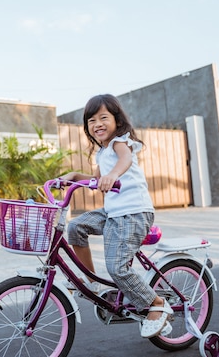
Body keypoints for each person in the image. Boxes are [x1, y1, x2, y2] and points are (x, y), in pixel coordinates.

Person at [58, 94, 173, 338]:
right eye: (91, 120)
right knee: (76, 227)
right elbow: (96, 180)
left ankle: (157, 305)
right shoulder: (102, 153)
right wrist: (72, 176)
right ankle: (91, 281)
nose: (97, 124)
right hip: (113, 213)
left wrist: (114, 176)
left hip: (134, 212)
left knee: (117, 268)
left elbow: (125, 160)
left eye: (103, 118)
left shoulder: (121, 142)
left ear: (116, 120)